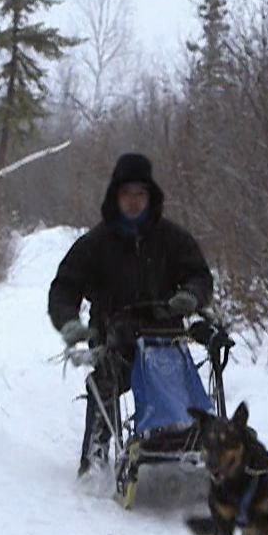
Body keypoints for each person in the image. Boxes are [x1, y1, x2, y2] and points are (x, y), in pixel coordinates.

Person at [47, 153, 212, 478]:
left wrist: (190, 296)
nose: (134, 201)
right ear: (115, 197)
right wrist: (69, 323)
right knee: (105, 383)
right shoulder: (95, 243)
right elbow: (64, 288)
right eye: (127, 194)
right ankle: (95, 460)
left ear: (150, 197)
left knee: (178, 388)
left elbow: (200, 276)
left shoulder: (172, 239)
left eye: (140, 194)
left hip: (164, 338)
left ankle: (185, 441)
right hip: (114, 338)